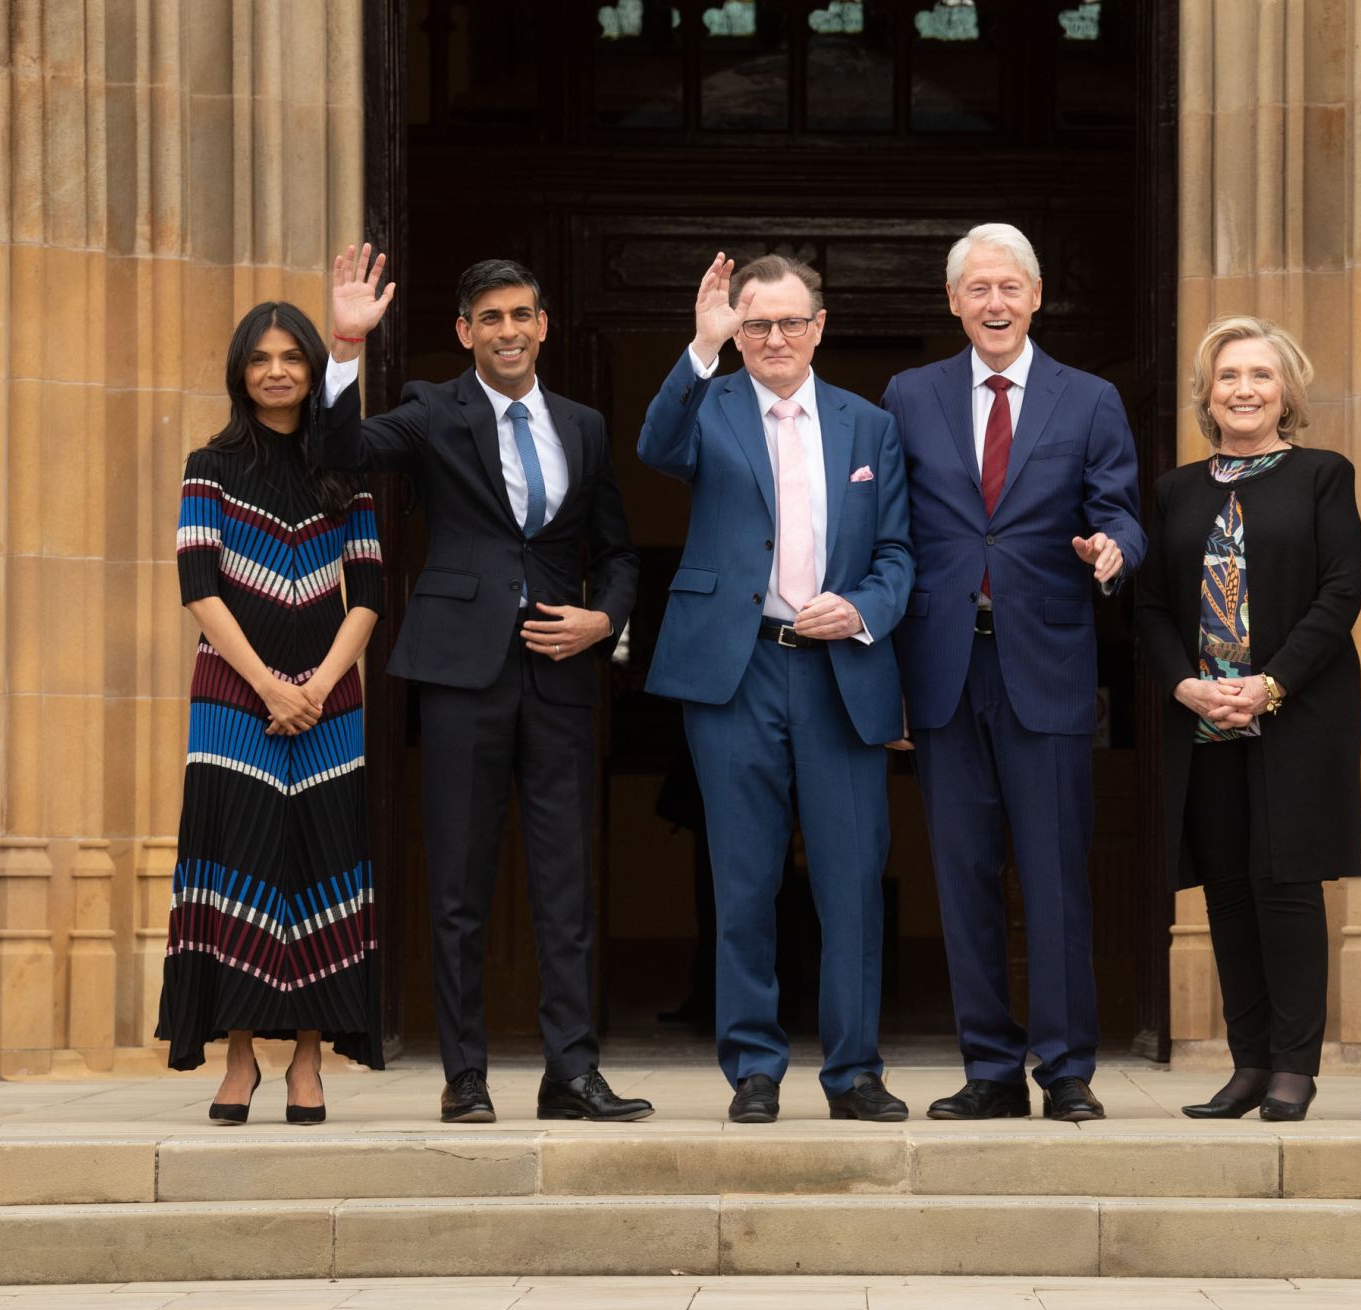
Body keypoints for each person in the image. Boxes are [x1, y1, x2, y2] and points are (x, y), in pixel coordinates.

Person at [316, 246, 651, 1123]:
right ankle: (464, 1075)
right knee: (460, 884)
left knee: (565, 884)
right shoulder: (434, 409)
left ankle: (571, 1072)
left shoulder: (583, 424)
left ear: (543, 325)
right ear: (465, 332)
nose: (508, 330)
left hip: (561, 676)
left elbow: (619, 551)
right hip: (462, 673)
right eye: (490, 318)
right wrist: (345, 346)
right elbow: (341, 448)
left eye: (521, 315)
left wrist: (603, 621)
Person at [636, 253, 914, 1124]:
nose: (775, 338)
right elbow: (654, 447)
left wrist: (861, 608)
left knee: (851, 880)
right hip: (737, 668)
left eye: (791, 322)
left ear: (819, 327)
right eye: (756, 324)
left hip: (840, 670)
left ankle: (854, 1071)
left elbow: (899, 554)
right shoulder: (709, 405)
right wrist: (701, 346)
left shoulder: (870, 426)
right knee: (743, 879)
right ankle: (753, 1068)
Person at [881, 223, 1144, 1121]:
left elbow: (1120, 509)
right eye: (978, 288)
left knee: (1055, 873)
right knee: (963, 876)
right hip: (943, 667)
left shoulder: (1090, 399)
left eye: (1010, 287)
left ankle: (1066, 1068)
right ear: (954, 301)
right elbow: (887, 529)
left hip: (1048, 662)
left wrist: (1114, 547)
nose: (994, 303)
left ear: (1036, 297)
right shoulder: (909, 395)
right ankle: (990, 1068)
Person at [1135, 316, 1361, 1123]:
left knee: (1287, 886)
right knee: (1228, 893)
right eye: (1228, 376)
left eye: (1260, 375)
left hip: (1294, 713)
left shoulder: (1323, 475)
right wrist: (1183, 685)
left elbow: (1341, 591)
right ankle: (1250, 1063)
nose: (1243, 390)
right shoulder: (1176, 490)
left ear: (1286, 391)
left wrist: (1271, 684)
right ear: (1207, 395)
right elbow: (1151, 604)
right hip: (1204, 722)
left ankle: (1296, 1066)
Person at [160, 301, 384, 1125]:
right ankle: (240, 1053)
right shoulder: (208, 466)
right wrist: (268, 685)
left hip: (331, 697)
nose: (277, 371)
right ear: (240, 372)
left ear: (314, 370)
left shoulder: (347, 469)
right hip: (232, 697)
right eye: (261, 358)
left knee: (321, 863)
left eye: (293, 357)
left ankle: (309, 1058)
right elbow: (198, 586)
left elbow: (369, 592)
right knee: (238, 860)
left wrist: (317, 685)